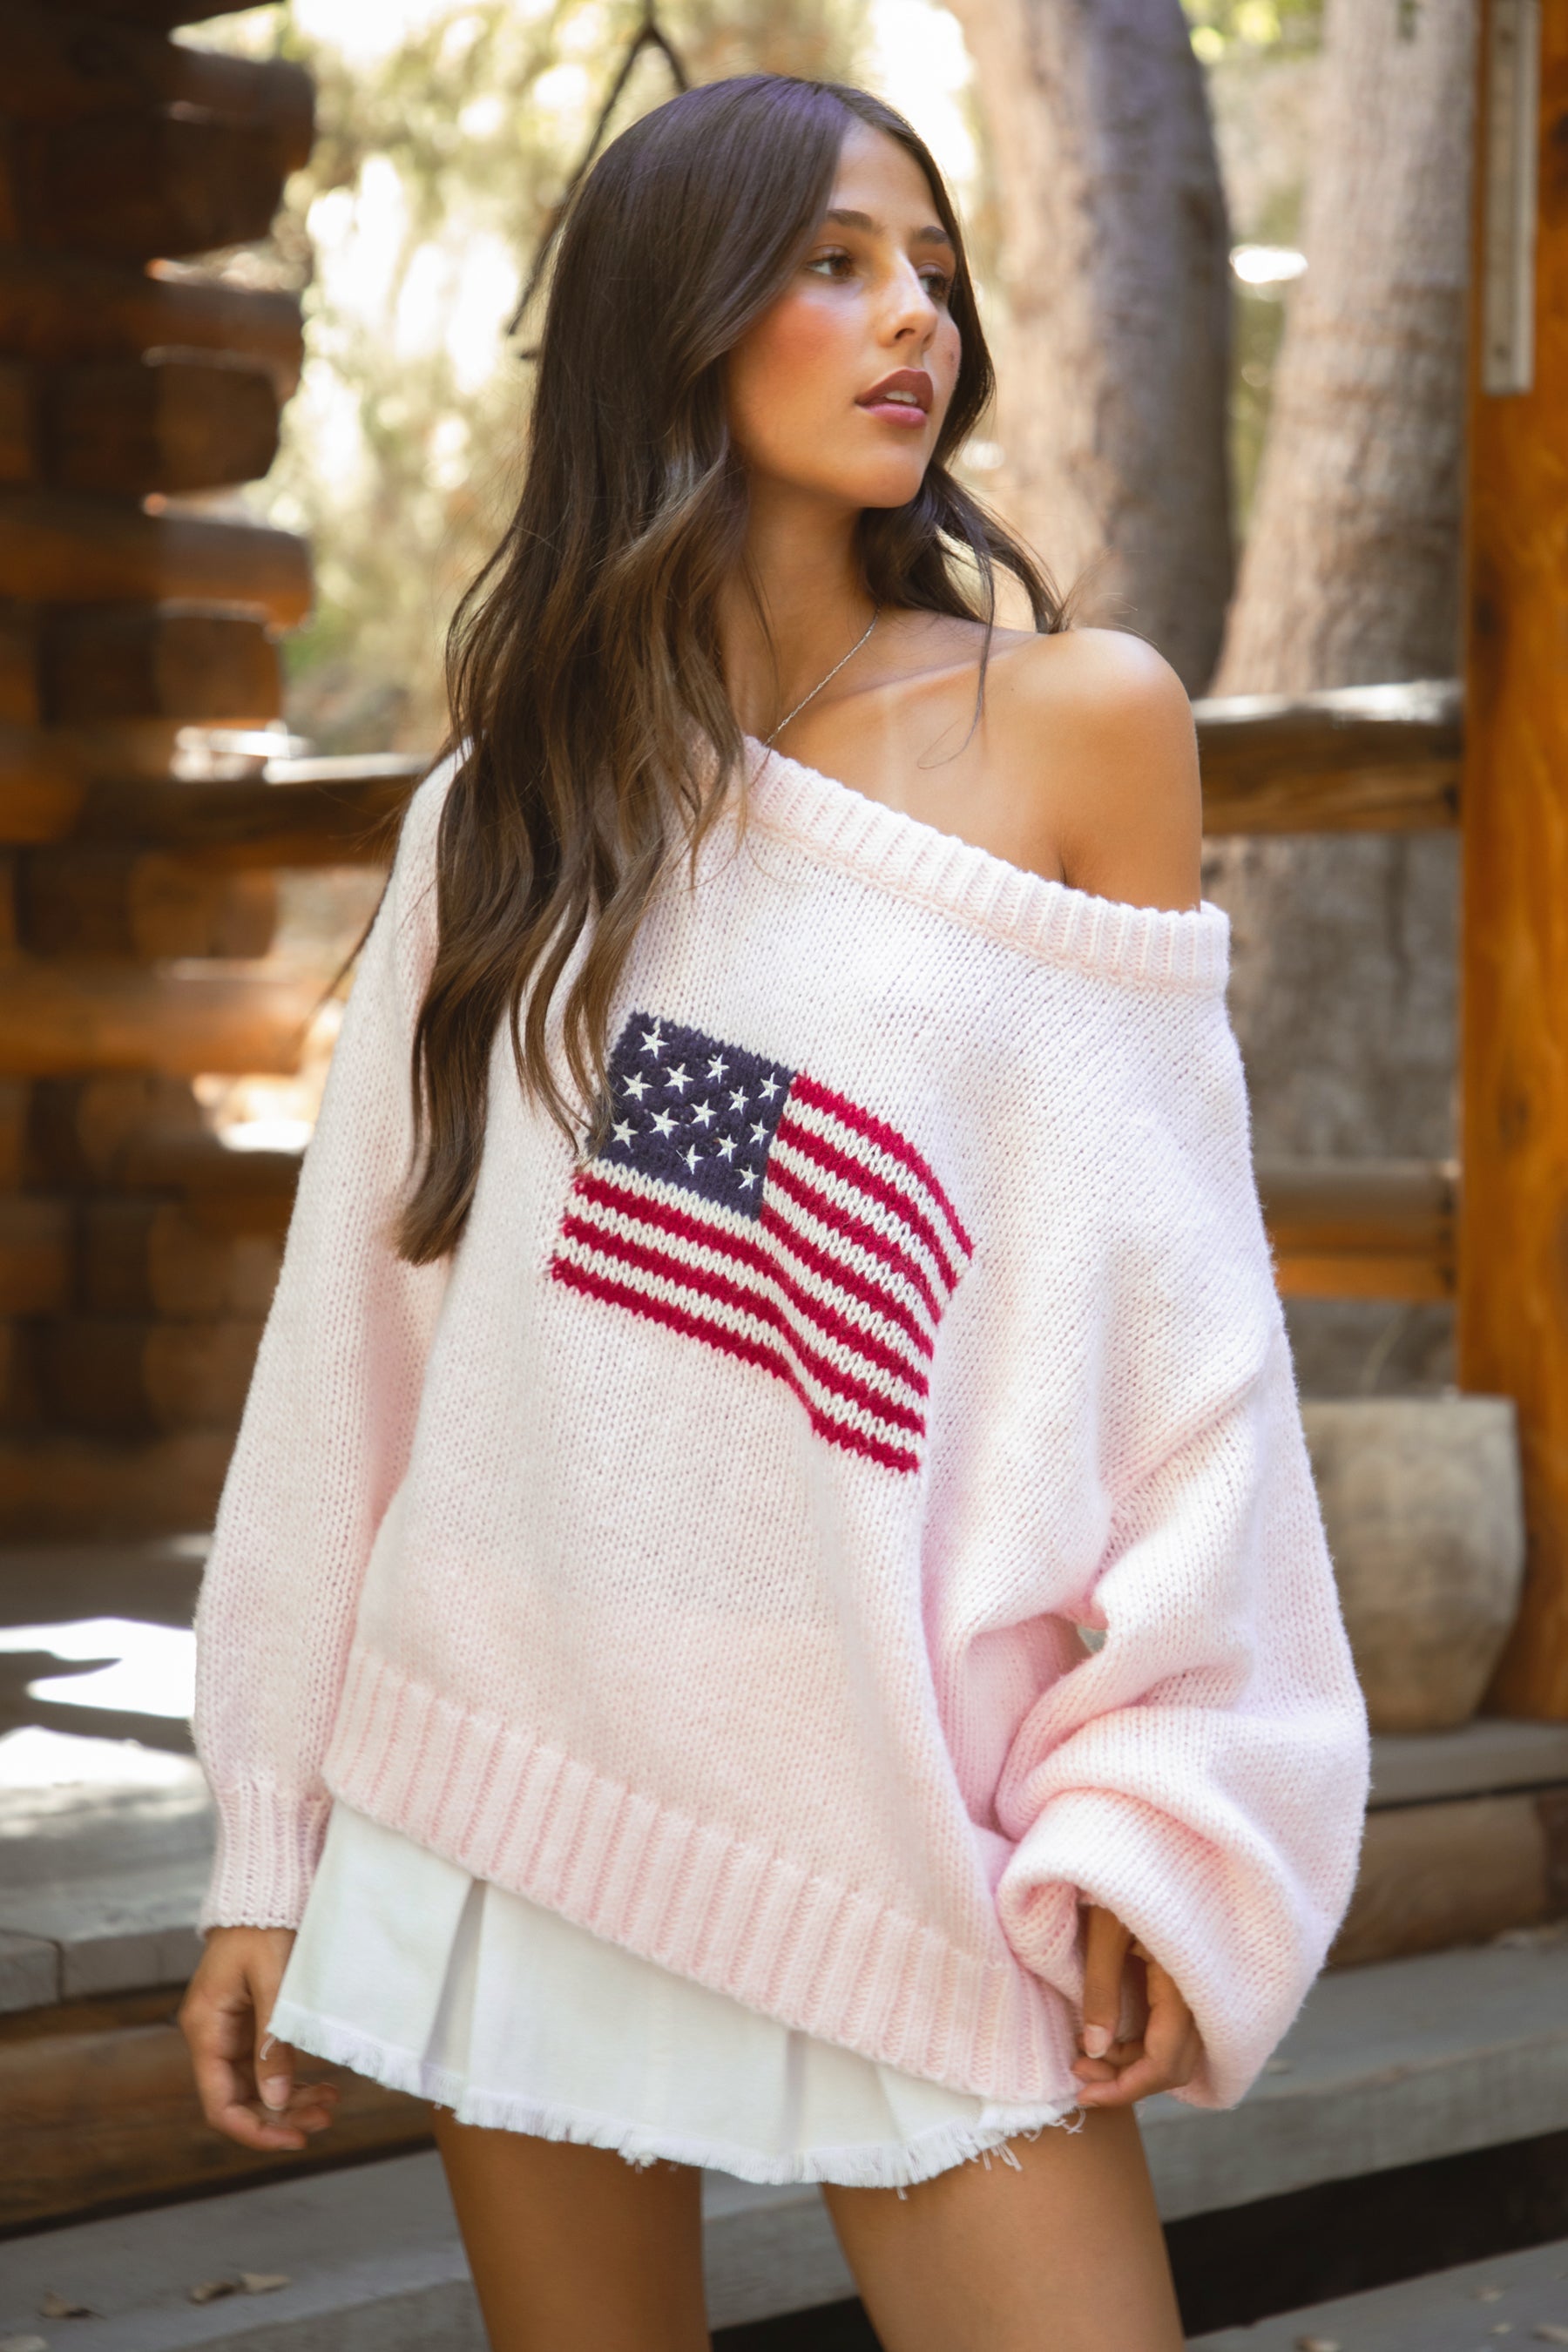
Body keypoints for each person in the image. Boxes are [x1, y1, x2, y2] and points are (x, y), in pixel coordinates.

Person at [179, 71, 1369, 2352]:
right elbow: (362, 1346)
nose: (912, 315)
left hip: (900, 1791)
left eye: (932, 268)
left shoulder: (1079, 728)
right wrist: (266, 1835)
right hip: (518, 1751)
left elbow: (1185, 1327)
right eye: (836, 262)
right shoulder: (509, 814)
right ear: (679, 320)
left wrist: (1153, 1790)